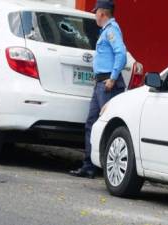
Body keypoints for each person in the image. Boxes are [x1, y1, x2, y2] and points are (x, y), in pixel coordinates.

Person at [70, 0, 127, 179]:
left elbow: (121, 54)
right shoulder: (106, 31)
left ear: (102, 13)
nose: (95, 16)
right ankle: (88, 165)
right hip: (101, 84)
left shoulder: (111, 30)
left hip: (108, 84)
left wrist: (113, 77)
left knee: (107, 124)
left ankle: (109, 167)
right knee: (91, 123)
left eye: (96, 13)